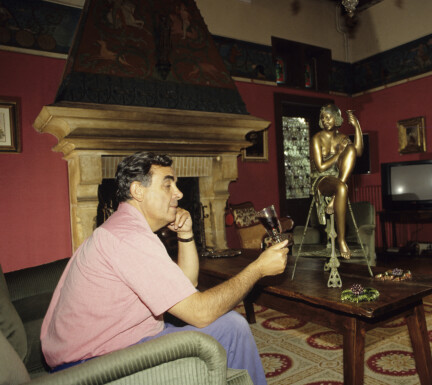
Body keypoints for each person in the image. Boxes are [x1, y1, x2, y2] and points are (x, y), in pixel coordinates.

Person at [40, 152, 288, 385]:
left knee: (229, 325)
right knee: (233, 327)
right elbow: (199, 313)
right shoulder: (129, 238)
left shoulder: (124, 227)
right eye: (168, 185)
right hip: (94, 365)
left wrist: (187, 235)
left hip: (108, 347)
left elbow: (186, 284)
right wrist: (257, 269)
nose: (179, 193)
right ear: (138, 190)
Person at [310, 104, 363, 259]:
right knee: (342, 187)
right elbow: (320, 167)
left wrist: (357, 126)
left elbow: (358, 151)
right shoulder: (317, 138)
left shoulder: (342, 137)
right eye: (322, 118)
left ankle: (335, 200)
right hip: (322, 180)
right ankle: (341, 239)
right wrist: (338, 153)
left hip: (339, 178)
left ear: (337, 118)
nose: (325, 121)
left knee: (351, 149)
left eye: (328, 117)